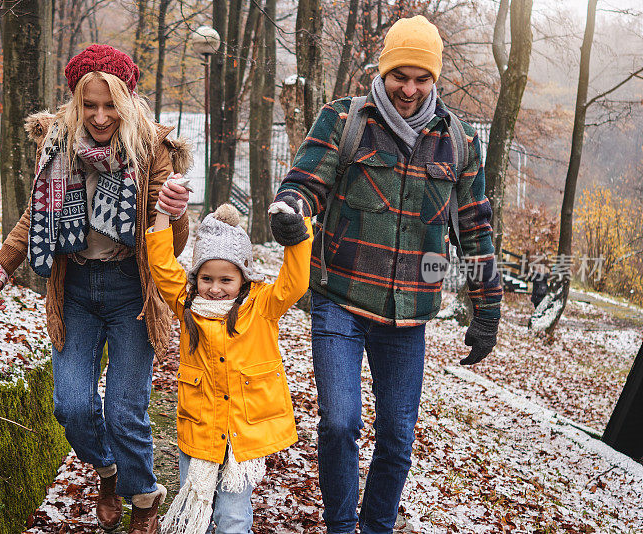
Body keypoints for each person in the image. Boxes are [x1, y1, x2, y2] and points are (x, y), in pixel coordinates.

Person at [269, 15, 504, 534]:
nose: (410, 89)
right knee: (339, 423)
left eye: (422, 78)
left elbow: (476, 229)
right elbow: (305, 183)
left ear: (434, 80)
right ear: (383, 70)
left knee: (397, 438)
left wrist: (487, 312)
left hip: (409, 314)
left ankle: (376, 527)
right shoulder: (345, 119)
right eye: (401, 75)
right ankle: (340, 526)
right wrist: (288, 211)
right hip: (339, 299)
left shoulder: (459, 141)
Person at [0, 45, 191, 534]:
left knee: (124, 410)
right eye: (89, 105)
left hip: (131, 293)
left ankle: (144, 498)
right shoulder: (56, 143)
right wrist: (2, 267)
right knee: (71, 405)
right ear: (75, 101)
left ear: (126, 99)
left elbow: (168, 243)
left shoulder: (152, 148)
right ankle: (108, 471)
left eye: (109, 105)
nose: (99, 117)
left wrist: (175, 212)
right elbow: (40, 214)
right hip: (73, 289)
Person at [146, 188, 312, 534]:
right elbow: (161, 266)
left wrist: (298, 231)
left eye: (226, 279)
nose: (215, 288)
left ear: (243, 277)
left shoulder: (263, 307)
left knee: (234, 518)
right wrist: (162, 213)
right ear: (195, 279)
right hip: (201, 427)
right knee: (198, 511)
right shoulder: (186, 305)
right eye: (206, 278)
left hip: (242, 433)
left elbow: (295, 283)